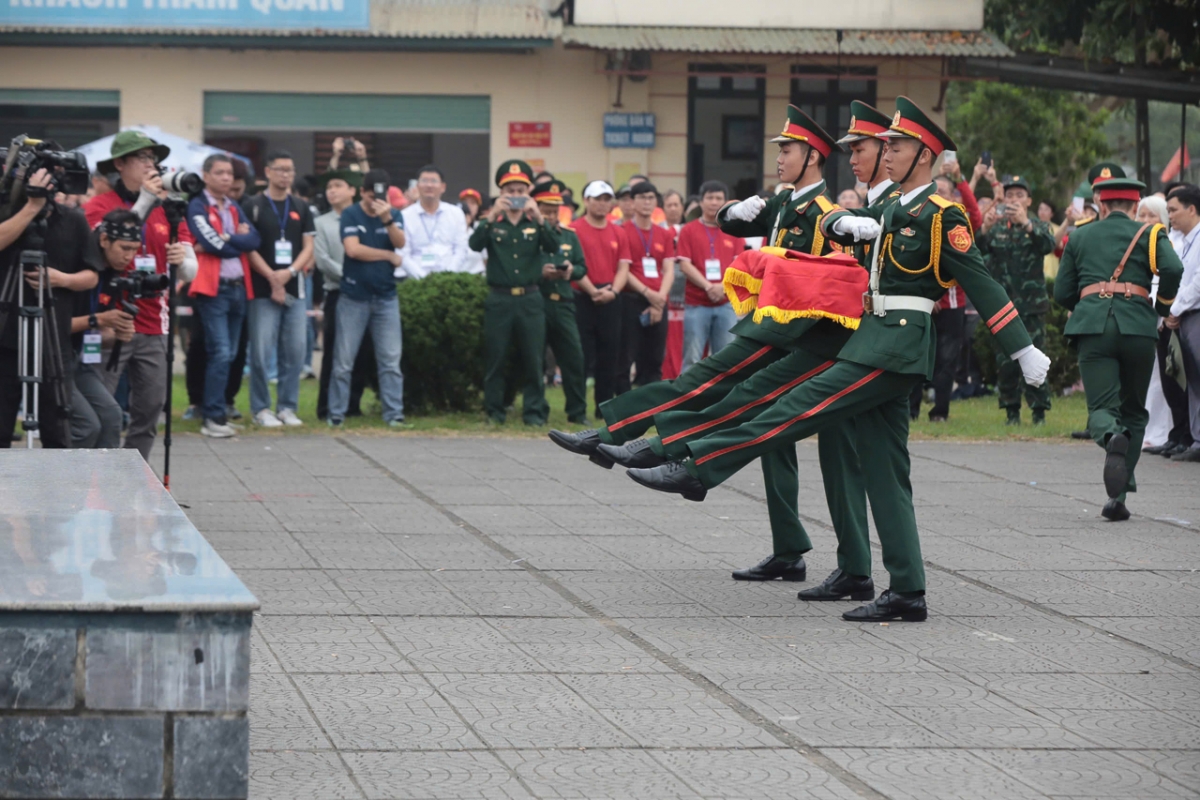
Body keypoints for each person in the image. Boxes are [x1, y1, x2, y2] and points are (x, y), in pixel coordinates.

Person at [624, 97, 1051, 622]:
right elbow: (836, 224)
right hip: (872, 340)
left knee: (793, 408)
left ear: (924, 155)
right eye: (885, 146)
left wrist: (1022, 348)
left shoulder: (943, 215)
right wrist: (846, 224)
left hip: (896, 345)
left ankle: (698, 469)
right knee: (886, 470)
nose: (886, 153)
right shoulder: (890, 207)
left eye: (896, 146)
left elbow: (982, 283)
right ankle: (907, 591)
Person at [551, 106, 865, 589]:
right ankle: (788, 550)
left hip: (796, 336)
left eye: (787, 150)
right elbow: (732, 226)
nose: (779, 157)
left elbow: (834, 286)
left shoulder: (828, 215)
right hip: (770, 326)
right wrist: (737, 211)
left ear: (813, 157)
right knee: (773, 444)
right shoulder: (785, 202)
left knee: (704, 384)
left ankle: (623, 436)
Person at [1054, 178, 1184, 519]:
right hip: (1138, 327)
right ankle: (1119, 497)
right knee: (1135, 411)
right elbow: (1173, 268)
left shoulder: (1080, 235)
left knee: (1101, 407)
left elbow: (1061, 292)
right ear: (1135, 204)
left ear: (1102, 204)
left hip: (1094, 328)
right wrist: (1161, 306)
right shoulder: (1150, 233)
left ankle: (1111, 435)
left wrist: (1088, 304)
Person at [83, 130, 195, 458]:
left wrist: (183, 262)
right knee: (102, 409)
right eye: (142, 157)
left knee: (150, 408)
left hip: (155, 321)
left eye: (153, 159)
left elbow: (190, 269)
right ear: (120, 164)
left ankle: (134, 474)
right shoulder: (99, 205)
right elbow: (98, 251)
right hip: (110, 320)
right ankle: (97, 473)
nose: (151, 165)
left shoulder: (168, 208)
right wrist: (144, 199)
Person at [0, 166, 102, 448]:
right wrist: (31, 207)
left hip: (53, 340)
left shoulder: (74, 219)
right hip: (5, 338)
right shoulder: (6, 212)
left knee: (58, 431)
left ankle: (54, 479)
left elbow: (92, 275)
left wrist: (61, 279)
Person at [468, 160, 555, 425]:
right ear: (501, 193)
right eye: (510, 191)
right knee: (496, 357)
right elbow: (474, 244)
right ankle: (494, 412)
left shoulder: (535, 222)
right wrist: (491, 215)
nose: (516, 196)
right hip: (500, 298)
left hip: (530, 298)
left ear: (528, 193)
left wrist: (539, 217)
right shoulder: (493, 222)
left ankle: (534, 413)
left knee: (533, 359)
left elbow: (552, 245)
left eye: (520, 191)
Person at [186, 153, 261, 439]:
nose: (227, 178)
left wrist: (228, 238)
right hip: (213, 288)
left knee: (230, 354)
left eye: (229, 173)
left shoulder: (233, 205)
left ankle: (218, 412)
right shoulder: (197, 205)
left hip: (238, 287)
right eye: (220, 173)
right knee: (220, 351)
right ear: (205, 175)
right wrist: (234, 241)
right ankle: (212, 416)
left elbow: (254, 239)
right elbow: (212, 243)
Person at [241, 150, 315, 428]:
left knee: (295, 351)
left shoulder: (301, 206)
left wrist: (290, 272)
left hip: (295, 287)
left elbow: (308, 247)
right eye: (281, 169)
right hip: (262, 289)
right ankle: (261, 408)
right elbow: (249, 248)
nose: (286, 175)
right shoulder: (253, 205)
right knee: (261, 352)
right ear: (268, 172)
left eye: (290, 170)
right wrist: (273, 277)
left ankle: (287, 407)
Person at [328, 170, 407, 427]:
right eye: (372, 196)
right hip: (354, 297)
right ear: (362, 192)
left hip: (386, 297)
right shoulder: (351, 214)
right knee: (344, 360)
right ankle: (336, 413)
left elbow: (400, 243)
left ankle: (394, 414)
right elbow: (353, 249)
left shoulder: (393, 214)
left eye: (381, 197)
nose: (376, 202)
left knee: (390, 360)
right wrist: (387, 255)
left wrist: (387, 220)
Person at [977, 175, 1056, 425]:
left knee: (1035, 358)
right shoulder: (996, 227)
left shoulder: (1038, 225)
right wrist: (984, 229)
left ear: (1029, 201)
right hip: (1002, 308)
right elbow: (974, 252)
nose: (1014, 200)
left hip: (1031, 306)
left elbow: (1048, 245)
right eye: (1009, 195)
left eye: (1019, 196)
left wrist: (1027, 225)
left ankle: (1039, 411)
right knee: (1006, 362)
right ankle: (1011, 411)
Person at [69, 211, 139, 448]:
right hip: (53, 360)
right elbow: (53, 326)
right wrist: (97, 319)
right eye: (124, 248)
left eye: (134, 249)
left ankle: (105, 474)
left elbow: (100, 336)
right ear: (104, 240)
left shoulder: (111, 275)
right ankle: (65, 473)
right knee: (87, 426)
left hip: (80, 360)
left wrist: (117, 334)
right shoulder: (79, 267)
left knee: (111, 416)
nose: (129, 256)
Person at [314, 169, 374, 422]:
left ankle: (352, 405)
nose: (332, 191)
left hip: (365, 292)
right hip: (338, 292)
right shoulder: (321, 223)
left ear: (352, 190)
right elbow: (322, 260)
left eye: (338, 186)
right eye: (329, 187)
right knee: (334, 351)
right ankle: (326, 407)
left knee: (361, 351)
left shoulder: (365, 217)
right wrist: (350, 276)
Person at [571, 181, 631, 417]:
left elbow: (623, 267)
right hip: (581, 296)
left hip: (611, 297)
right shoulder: (573, 230)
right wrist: (591, 290)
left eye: (607, 199)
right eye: (597, 199)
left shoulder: (618, 232)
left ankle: (603, 409)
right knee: (581, 356)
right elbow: (572, 265)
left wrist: (613, 292)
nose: (602, 204)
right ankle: (578, 409)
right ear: (586, 201)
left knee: (610, 355)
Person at [533, 179, 589, 423]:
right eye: (546, 211)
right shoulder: (531, 236)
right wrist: (540, 272)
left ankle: (577, 412)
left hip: (564, 302)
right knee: (535, 359)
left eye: (555, 211)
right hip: (539, 301)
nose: (551, 216)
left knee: (574, 357)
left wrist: (571, 271)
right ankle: (536, 411)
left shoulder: (569, 236)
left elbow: (582, 267)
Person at [675, 180, 744, 370]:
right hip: (696, 304)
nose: (714, 202)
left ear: (725, 202)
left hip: (726, 304)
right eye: (710, 198)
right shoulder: (688, 230)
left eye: (718, 198)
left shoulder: (734, 230)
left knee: (726, 360)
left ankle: (720, 391)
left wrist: (722, 287)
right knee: (692, 359)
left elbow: (739, 266)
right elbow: (684, 265)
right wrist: (708, 286)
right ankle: (689, 390)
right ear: (701, 202)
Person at [616, 181, 675, 394]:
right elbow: (623, 270)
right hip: (631, 300)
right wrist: (648, 293)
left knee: (654, 359)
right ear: (632, 202)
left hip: (659, 302)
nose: (647, 202)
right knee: (625, 357)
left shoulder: (664, 234)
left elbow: (669, 269)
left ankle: (650, 406)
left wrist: (659, 299)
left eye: (651, 198)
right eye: (641, 198)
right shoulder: (622, 231)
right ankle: (623, 405)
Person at [1135, 195, 1175, 450]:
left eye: (1152, 215)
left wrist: (1164, 311)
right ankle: (1147, 429)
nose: (1146, 220)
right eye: (1142, 215)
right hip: (1140, 318)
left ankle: (1161, 432)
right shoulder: (1134, 246)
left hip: (1164, 318)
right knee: (1145, 378)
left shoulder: (1168, 244)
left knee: (1162, 378)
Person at [1164, 184, 1200, 462]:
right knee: (1193, 381)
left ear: (1192, 209)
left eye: (1174, 210)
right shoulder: (1185, 240)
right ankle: (1196, 440)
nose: (1170, 216)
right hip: (1186, 317)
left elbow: (1197, 284)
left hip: (1194, 314)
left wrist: (1174, 308)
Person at [399, 166, 469, 279]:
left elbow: (461, 249)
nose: (429, 185)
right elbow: (403, 253)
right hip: (415, 280)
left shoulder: (455, 213)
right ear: (417, 186)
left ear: (443, 187)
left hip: (449, 279)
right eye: (424, 181)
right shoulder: (405, 216)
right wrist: (422, 278)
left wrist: (447, 276)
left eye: (434, 181)